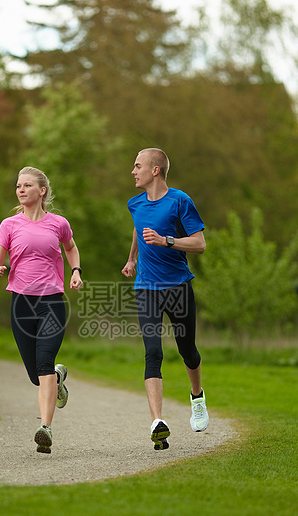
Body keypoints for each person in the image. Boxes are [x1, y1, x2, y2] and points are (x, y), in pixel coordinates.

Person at [0, 166, 82, 454]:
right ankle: (57, 377)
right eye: (18, 185)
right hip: (21, 304)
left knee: (42, 364)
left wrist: (75, 270)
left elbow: (71, 247)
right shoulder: (9, 225)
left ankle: (46, 428)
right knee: (35, 375)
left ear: (41, 191)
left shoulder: (58, 223)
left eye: (27, 185)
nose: (20, 189)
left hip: (52, 302)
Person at [122, 148, 209, 451]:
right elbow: (138, 229)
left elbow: (199, 244)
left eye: (137, 166)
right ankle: (158, 423)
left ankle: (196, 396)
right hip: (146, 287)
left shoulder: (179, 201)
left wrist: (166, 241)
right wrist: (132, 259)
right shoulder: (135, 203)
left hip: (178, 286)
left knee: (187, 350)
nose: (133, 171)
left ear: (155, 170)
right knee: (153, 352)